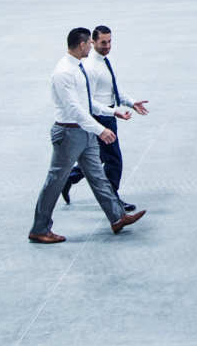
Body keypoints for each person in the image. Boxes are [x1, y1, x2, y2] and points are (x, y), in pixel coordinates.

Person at [29, 27, 146, 244]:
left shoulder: (78, 67)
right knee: (55, 180)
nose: (92, 48)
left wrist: (113, 112)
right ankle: (39, 228)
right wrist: (100, 129)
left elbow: (88, 104)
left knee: (98, 177)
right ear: (83, 44)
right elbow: (75, 109)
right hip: (69, 133)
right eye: (90, 44)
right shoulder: (64, 72)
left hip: (84, 131)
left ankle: (117, 217)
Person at [62, 24, 149, 211]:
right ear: (92, 42)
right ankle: (113, 199)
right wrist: (112, 112)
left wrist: (131, 103)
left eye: (110, 41)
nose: (107, 46)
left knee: (98, 157)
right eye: (103, 42)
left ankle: (68, 179)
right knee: (114, 160)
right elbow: (88, 101)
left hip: (109, 114)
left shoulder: (104, 61)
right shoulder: (91, 67)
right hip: (101, 117)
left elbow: (113, 90)